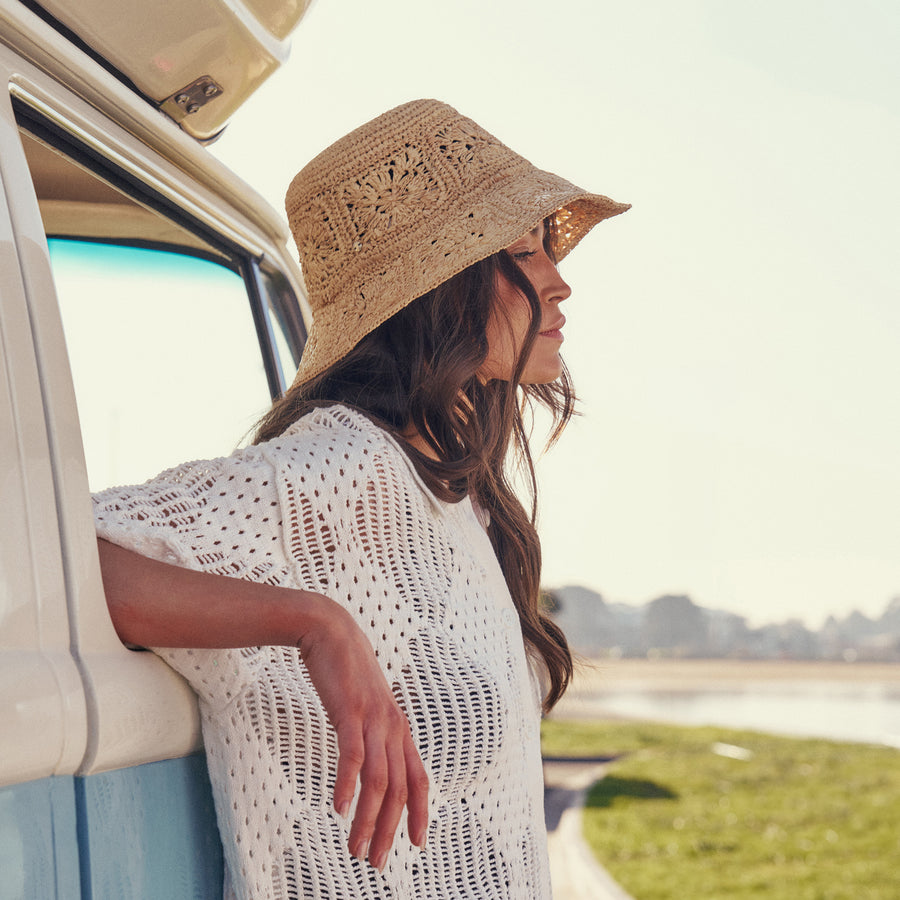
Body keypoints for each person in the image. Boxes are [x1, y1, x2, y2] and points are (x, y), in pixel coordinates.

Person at [93, 98, 629, 899]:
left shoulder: (455, 493)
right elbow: (57, 555)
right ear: (438, 289)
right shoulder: (335, 467)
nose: (559, 282)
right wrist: (314, 623)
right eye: (523, 249)